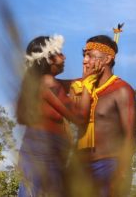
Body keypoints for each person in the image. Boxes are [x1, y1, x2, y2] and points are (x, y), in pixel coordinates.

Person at [16, 35, 101, 197]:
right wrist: (87, 88)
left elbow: (73, 83)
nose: (64, 57)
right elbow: (79, 118)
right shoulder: (48, 84)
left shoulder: (43, 82)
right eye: (60, 54)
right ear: (49, 59)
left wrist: (88, 78)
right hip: (42, 158)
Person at [70, 35, 136, 197]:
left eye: (90, 56)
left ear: (107, 59)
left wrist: (122, 170)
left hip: (109, 167)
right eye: (84, 56)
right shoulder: (80, 88)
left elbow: (130, 135)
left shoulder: (122, 90)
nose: (85, 61)